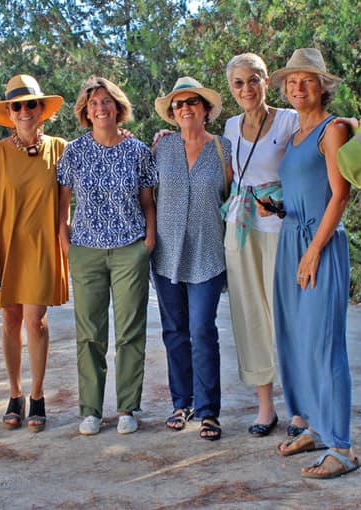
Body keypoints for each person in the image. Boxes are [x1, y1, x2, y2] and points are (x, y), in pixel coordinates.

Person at [263, 48, 358, 479]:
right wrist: (279, 207)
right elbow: (306, 189)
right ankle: (315, 428)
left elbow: (340, 195)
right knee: (295, 340)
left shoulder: (331, 130)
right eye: (292, 82)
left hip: (320, 245)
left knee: (324, 345)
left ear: (323, 87)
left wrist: (315, 248)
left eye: (308, 81)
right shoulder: (296, 135)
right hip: (292, 240)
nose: (298, 88)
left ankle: (342, 447)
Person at [57, 76, 156, 436]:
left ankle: (128, 407)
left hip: (130, 247)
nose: (100, 108)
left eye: (106, 101)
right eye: (93, 103)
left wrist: (148, 241)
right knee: (90, 334)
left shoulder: (138, 150)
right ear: (85, 111)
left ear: (118, 106)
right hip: (86, 249)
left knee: (130, 331)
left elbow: (148, 201)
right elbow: (62, 205)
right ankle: (91, 410)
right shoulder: (74, 151)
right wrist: (67, 245)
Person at [0, 75, 68, 432]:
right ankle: (14, 394)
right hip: (4, 245)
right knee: (10, 320)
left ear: (42, 110)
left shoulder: (61, 149)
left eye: (31, 104)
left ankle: (38, 395)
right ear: (9, 114)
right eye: (17, 106)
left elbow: (65, 203)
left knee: (36, 321)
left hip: (42, 245)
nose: (25, 111)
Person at [219, 53, 296, 437]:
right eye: (238, 83)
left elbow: (312, 157)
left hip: (279, 226)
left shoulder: (288, 120)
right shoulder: (230, 127)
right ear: (230, 89)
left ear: (267, 81)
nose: (246, 88)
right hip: (240, 225)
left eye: (253, 80)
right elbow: (229, 175)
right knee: (250, 314)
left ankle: (299, 409)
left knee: (287, 314)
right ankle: (266, 408)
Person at [151, 77, 230, 440]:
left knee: (202, 330)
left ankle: (208, 411)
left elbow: (232, 195)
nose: (185, 108)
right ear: (172, 112)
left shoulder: (223, 149)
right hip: (167, 255)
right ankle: (181, 403)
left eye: (192, 102)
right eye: (178, 104)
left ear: (206, 109)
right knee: (174, 332)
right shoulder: (161, 149)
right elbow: (147, 197)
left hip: (208, 253)